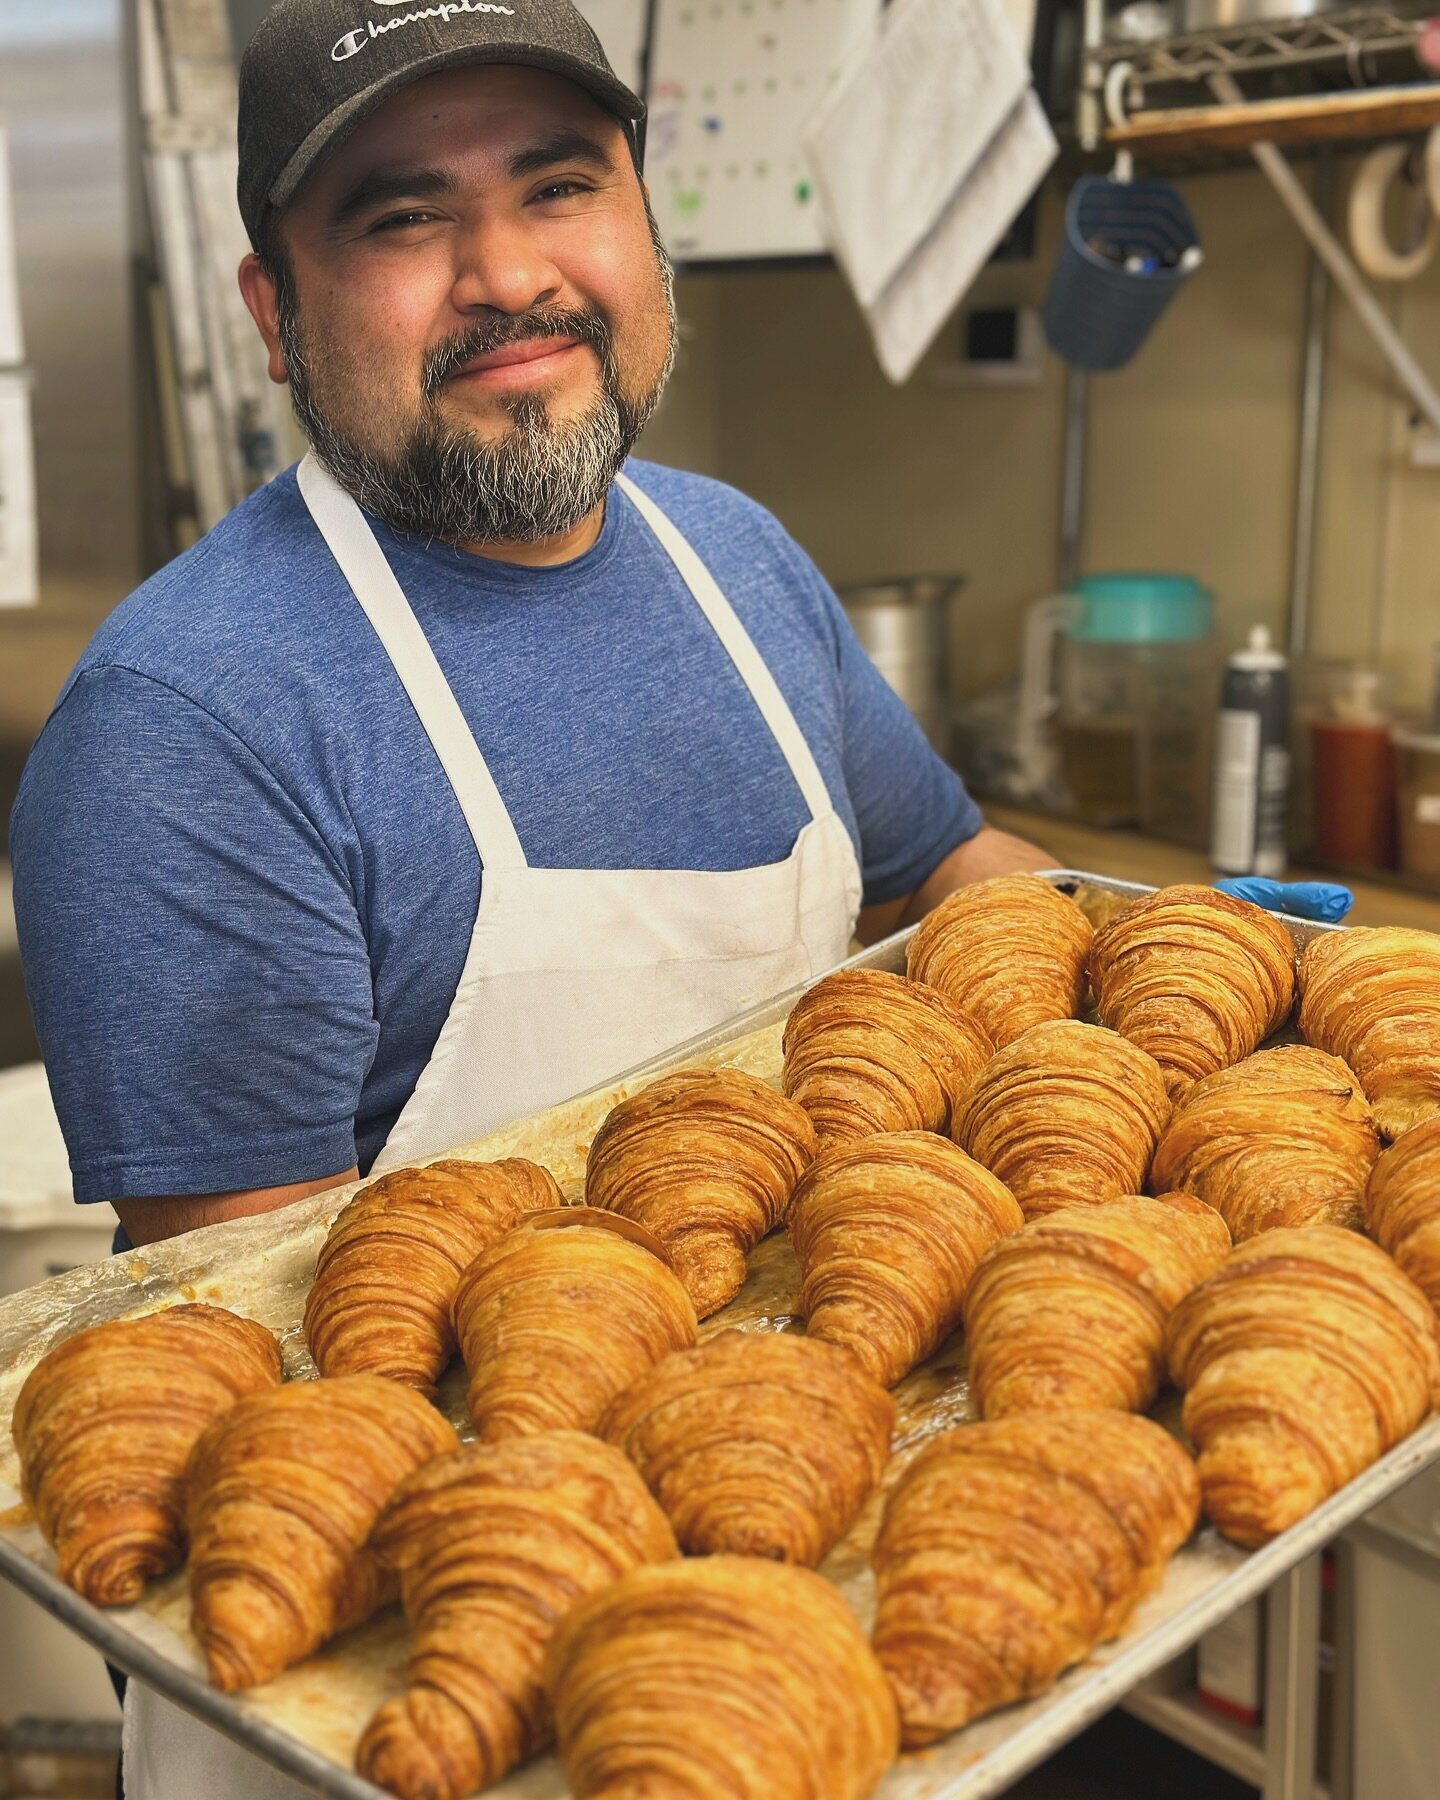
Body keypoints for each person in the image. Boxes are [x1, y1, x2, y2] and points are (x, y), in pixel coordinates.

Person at [10, 0, 1048, 1790]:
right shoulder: (190, 726)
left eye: (559, 187)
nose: (508, 274)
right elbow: (274, 1360)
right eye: (402, 220)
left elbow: (965, 877)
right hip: (399, 1660)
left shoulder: (740, 560)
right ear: (276, 313)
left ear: (644, 234)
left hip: (791, 1607)